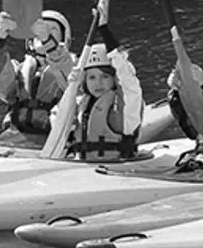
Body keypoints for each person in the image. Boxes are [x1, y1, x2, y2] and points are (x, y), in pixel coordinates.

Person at [53, 19, 141, 162]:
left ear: (115, 79)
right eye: (91, 77)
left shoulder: (125, 108)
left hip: (117, 169)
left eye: (105, 76)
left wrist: (104, 30)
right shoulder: (80, 104)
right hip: (82, 169)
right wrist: (66, 122)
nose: (98, 83)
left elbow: (128, 80)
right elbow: (56, 114)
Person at [0, 10, 74, 137]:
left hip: (52, 138)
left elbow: (71, 82)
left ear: (64, 39)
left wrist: (49, 42)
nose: (44, 32)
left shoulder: (74, 67)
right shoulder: (19, 69)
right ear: (30, 42)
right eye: (40, 29)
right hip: (15, 134)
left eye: (52, 30)